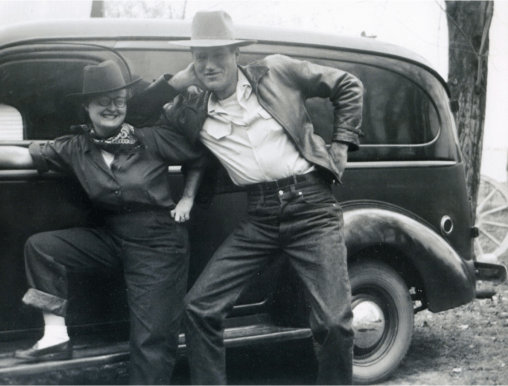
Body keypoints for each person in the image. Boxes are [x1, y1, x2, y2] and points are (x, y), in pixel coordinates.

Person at [128, 10, 364, 385]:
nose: (208, 65)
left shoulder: (276, 71)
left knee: (335, 323)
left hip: (312, 209)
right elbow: (133, 116)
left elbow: (348, 85)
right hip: (261, 215)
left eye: (218, 54)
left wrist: (342, 145)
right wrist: (177, 81)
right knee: (200, 308)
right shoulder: (191, 106)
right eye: (200, 57)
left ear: (236, 54)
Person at [0, 60, 205, 385]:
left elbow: (198, 156)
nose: (113, 108)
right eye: (103, 100)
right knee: (44, 248)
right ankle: (55, 337)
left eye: (119, 101)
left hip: (160, 244)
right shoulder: (75, 147)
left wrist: (188, 197)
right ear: (86, 106)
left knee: (150, 342)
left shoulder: (148, 137)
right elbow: (22, 156)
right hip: (114, 237)